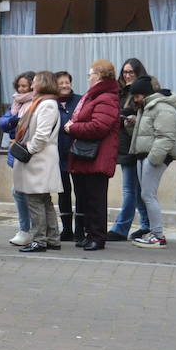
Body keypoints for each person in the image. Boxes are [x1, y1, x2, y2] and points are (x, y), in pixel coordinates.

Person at [64, 60, 122, 250]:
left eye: (90, 74)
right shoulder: (93, 96)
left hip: (97, 157)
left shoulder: (106, 97)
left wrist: (73, 127)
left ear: (99, 76)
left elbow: (98, 127)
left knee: (96, 200)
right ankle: (90, 235)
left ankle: (97, 237)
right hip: (86, 156)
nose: (88, 77)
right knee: (87, 199)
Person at [128, 75, 176, 248]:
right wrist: (132, 125)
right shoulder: (147, 107)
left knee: (148, 195)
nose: (134, 100)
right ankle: (154, 233)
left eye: (136, 96)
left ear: (143, 94)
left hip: (153, 156)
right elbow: (149, 133)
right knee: (147, 195)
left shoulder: (162, 108)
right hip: (144, 155)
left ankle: (158, 236)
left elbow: (166, 137)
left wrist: (153, 159)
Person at [11, 71, 64, 253]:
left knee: (35, 201)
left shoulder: (47, 104)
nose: (32, 86)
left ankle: (40, 240)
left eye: (34, 82)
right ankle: (52, 238)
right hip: (39, 158)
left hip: (38, 159)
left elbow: (41, 135)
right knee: (44, 200)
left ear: (43, 83)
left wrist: (28, 150)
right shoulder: (44, 103)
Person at [109, 57, 152, 241]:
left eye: (131, 72)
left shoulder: (144, 93)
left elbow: (149, 119)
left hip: (138, 145)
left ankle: (120, 228)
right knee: (138, 190)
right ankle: (147, 225)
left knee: (130, 190)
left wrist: (131, 119)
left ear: (138, 73)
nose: (127, 76)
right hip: (125, 144)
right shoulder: (120, 93)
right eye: (125, 72)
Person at [0, 71, 36, 247]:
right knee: (19, 191)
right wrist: (15, 118)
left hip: (29, 152)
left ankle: (29, 230)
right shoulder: (16, 103)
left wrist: (16, 122)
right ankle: (26, 230)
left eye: (25, 86)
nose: (21, 89)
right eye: (19, 86)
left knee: (22, 192)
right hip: (17, 152)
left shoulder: (36, 102)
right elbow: (3, 124)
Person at [55, 71, 81, 241]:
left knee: (81, 192)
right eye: (61, 83)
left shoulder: (80, 100)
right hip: (58, 155)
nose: (65, 86)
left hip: (78, 154)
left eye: (67, 82)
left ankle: (80, 229)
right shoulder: (50, 103)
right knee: (63, 193)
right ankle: (66, 229)